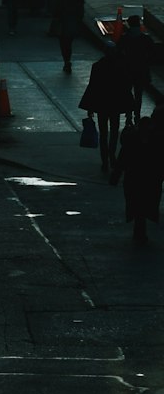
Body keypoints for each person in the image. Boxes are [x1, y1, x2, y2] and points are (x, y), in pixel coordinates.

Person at [110, 106, 164, 244]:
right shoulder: (157, 140)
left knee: (137, 203)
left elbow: (122, 159)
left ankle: (139, 228)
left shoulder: (131, 139)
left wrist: (115, 176)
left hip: (134, 177)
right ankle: (141, 228)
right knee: (146, 203)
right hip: (150, 178)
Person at [79, 44, 134, 172]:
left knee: (103, 133)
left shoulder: (97, 67)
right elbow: (126, 88)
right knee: (114, 132)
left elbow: (92, 87)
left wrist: (90, 107)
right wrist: (129, 109)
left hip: (102, 104)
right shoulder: (121, 66)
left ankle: (104, 160)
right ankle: (112, 156)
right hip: (115, 104)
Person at [116, 14, 154, 123]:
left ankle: (128, 115)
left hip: (127, 69)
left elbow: (118, 52)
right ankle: (137, 114)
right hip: (141, 69)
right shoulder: (145, 38)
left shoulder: (125, 38)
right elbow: (152, 53)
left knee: (128, 93)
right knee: (139, 94)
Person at [50, 0, 84, 73]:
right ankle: (67, 61)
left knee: (64, 44)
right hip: (73, 23)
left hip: (63, 24)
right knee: (68, 43)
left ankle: (66, 61)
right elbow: (80, 13)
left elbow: (56, 12)